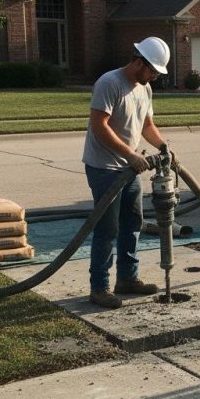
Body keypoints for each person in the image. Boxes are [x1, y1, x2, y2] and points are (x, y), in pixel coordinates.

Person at [82, 36, 174, 309]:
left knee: (133, 223)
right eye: (153, 71)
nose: (155, 77)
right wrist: (131, 155)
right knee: (107, 228)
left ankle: (127, 279)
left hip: (129, 168)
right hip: (104, 168)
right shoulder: (109, 83)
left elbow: (147, 125)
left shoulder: (144, 90)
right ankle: (99, 287)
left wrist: (163, 145)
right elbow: (100, 126)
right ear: (138, 61)